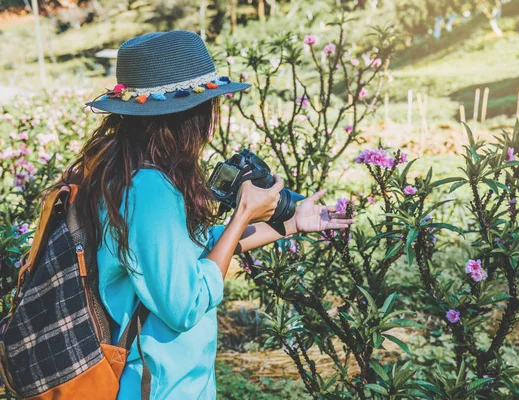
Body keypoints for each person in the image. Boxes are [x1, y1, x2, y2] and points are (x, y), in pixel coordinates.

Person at [65, 30, 353, 399]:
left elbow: (193, 251)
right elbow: (184, 305)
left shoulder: (120, 170)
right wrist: (243, 213)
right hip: (159, 385)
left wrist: (291, 223)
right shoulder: (149, 190)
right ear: (190, 115)